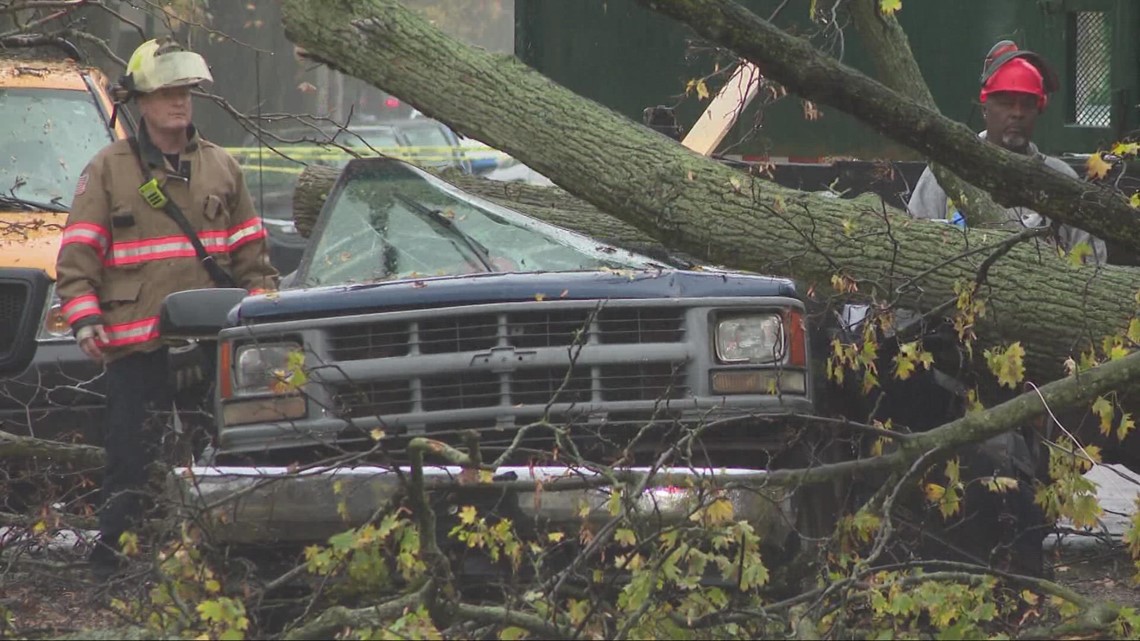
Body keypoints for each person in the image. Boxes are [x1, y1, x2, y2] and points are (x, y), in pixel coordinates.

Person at [54, 37, 278, 577]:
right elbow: (79, 254)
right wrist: (84, 320)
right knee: (129, 460)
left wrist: (266, 318)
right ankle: (114, 566)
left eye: (186, 93)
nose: (179, 103)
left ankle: (224, 566)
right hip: (136, 343)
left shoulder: (222, 168)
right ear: (141, 102)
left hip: (214, 345)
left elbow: (253, 257)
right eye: (167, 93)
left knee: (225, 458)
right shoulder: (108, 170)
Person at [907, 40, 1107, 264]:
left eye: (1027, 104)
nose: (1017, 113)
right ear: (985, 108)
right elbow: (913, 250)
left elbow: (1093, 268)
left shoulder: (1061, 178)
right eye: (1006, 103)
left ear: (1039, 109)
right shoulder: (947, 169)